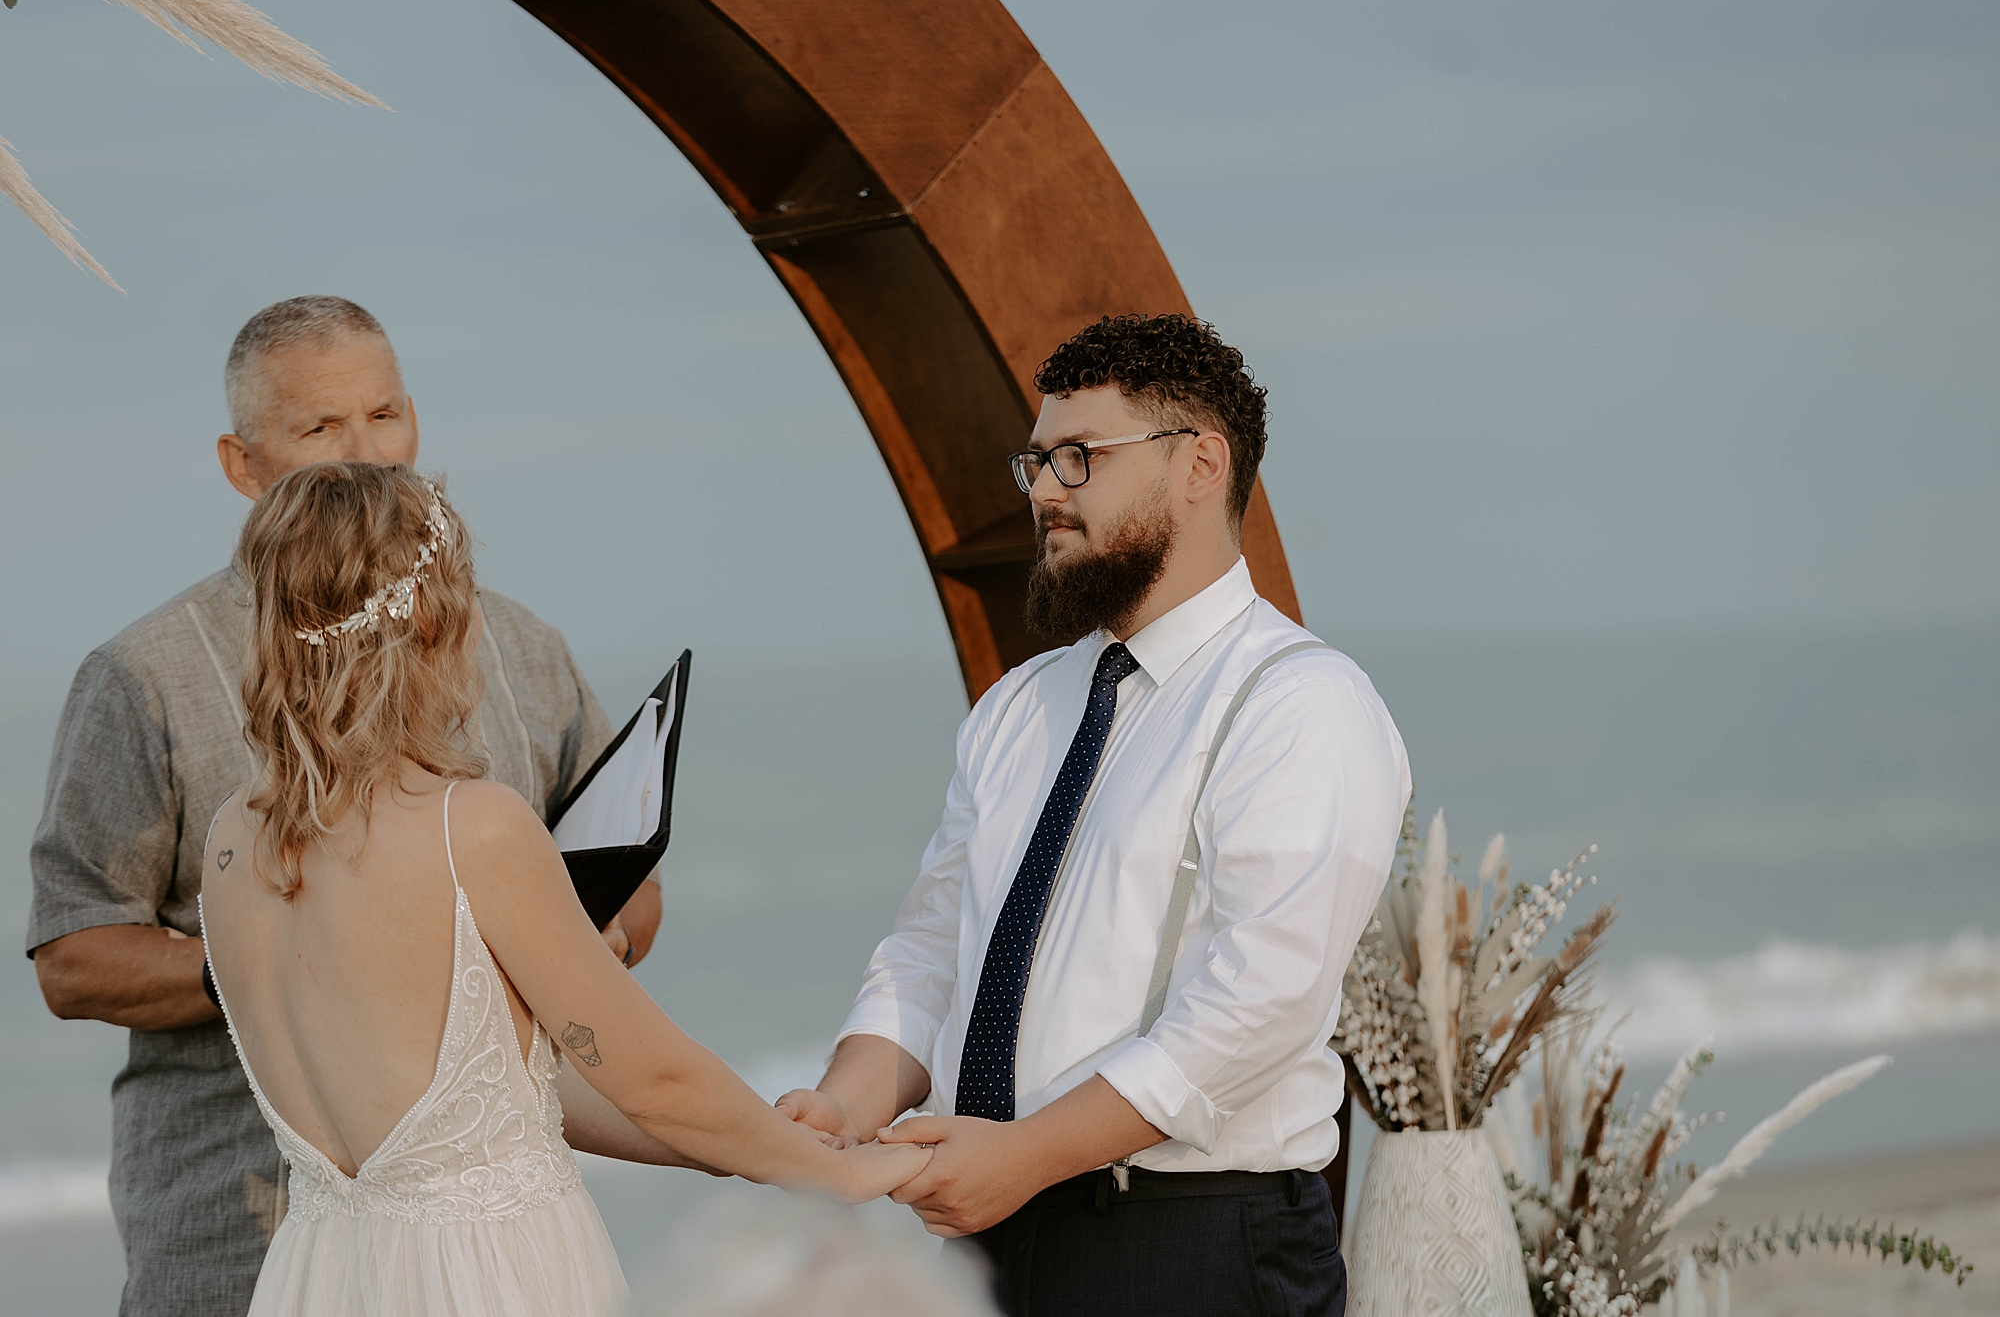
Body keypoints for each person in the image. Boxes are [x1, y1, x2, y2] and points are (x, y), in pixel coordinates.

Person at [27, 295, 662, 1317]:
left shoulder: (521, 645)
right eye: (320, 427)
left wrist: (591, 943)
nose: (366, 452)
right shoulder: (142, 675)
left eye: (383, 415)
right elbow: (74, 956)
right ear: (241, 464)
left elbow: (628, 890)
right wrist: (314, 957)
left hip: (481, 1238)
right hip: (238, 1228)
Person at [778, 314, 1412, 1315]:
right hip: (992, 1231)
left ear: (1198, 464)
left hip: (1192, 1246)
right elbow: (932, 950)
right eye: (1034, 462)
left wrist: (1025, 1155)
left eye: (1078, 459)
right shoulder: (1018, 705)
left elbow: (1257, 1004)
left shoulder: (1300, 703)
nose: (1041, 492)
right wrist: (842, 1106)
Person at [198, 461, 928, 1315]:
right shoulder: (472, 825)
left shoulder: (231, 844)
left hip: (321, 1275)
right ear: (433, 615)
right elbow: (654, 1076)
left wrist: (744, 1139)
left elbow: (514, 1088)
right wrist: (838, 1173)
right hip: (489, 1277)